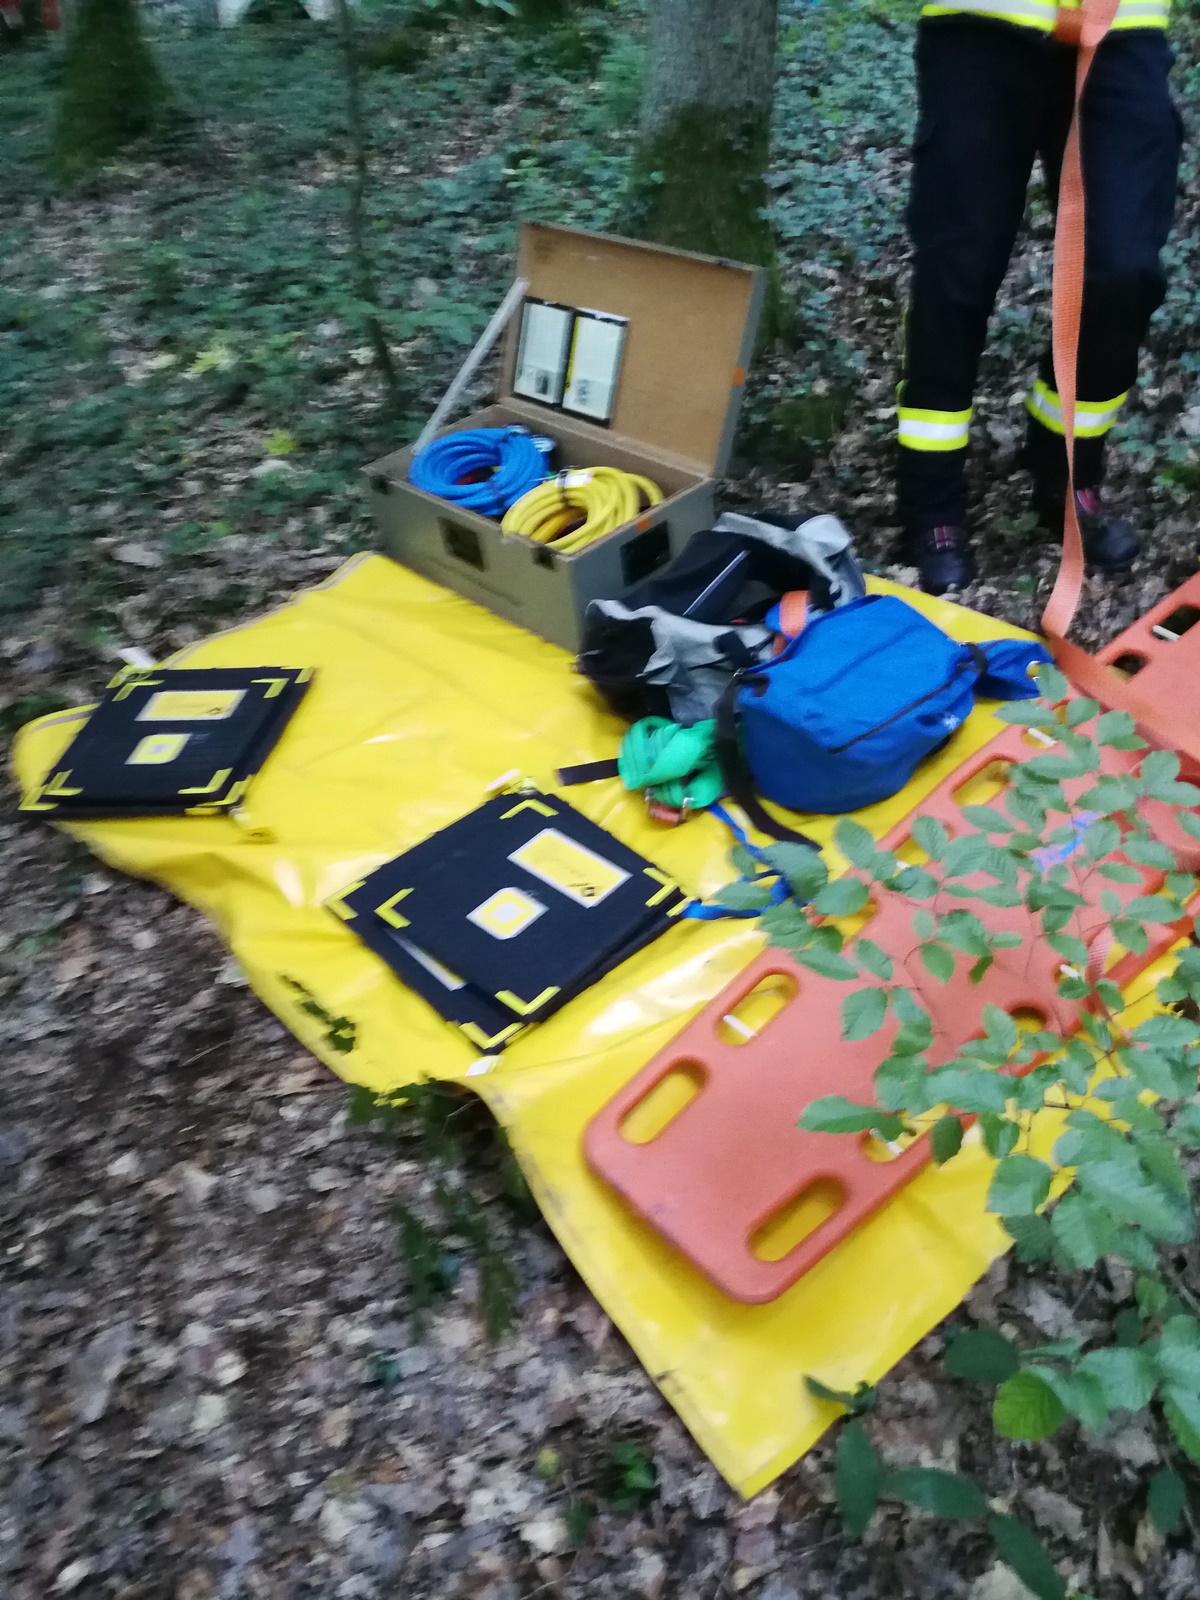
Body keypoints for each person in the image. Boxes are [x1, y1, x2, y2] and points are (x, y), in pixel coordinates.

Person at [896, 0, 1183, 594]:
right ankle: (932, 502)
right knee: (957, 268)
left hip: (1123, 30)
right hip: (982, 26)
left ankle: (1065, 472)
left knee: (1124, 269)